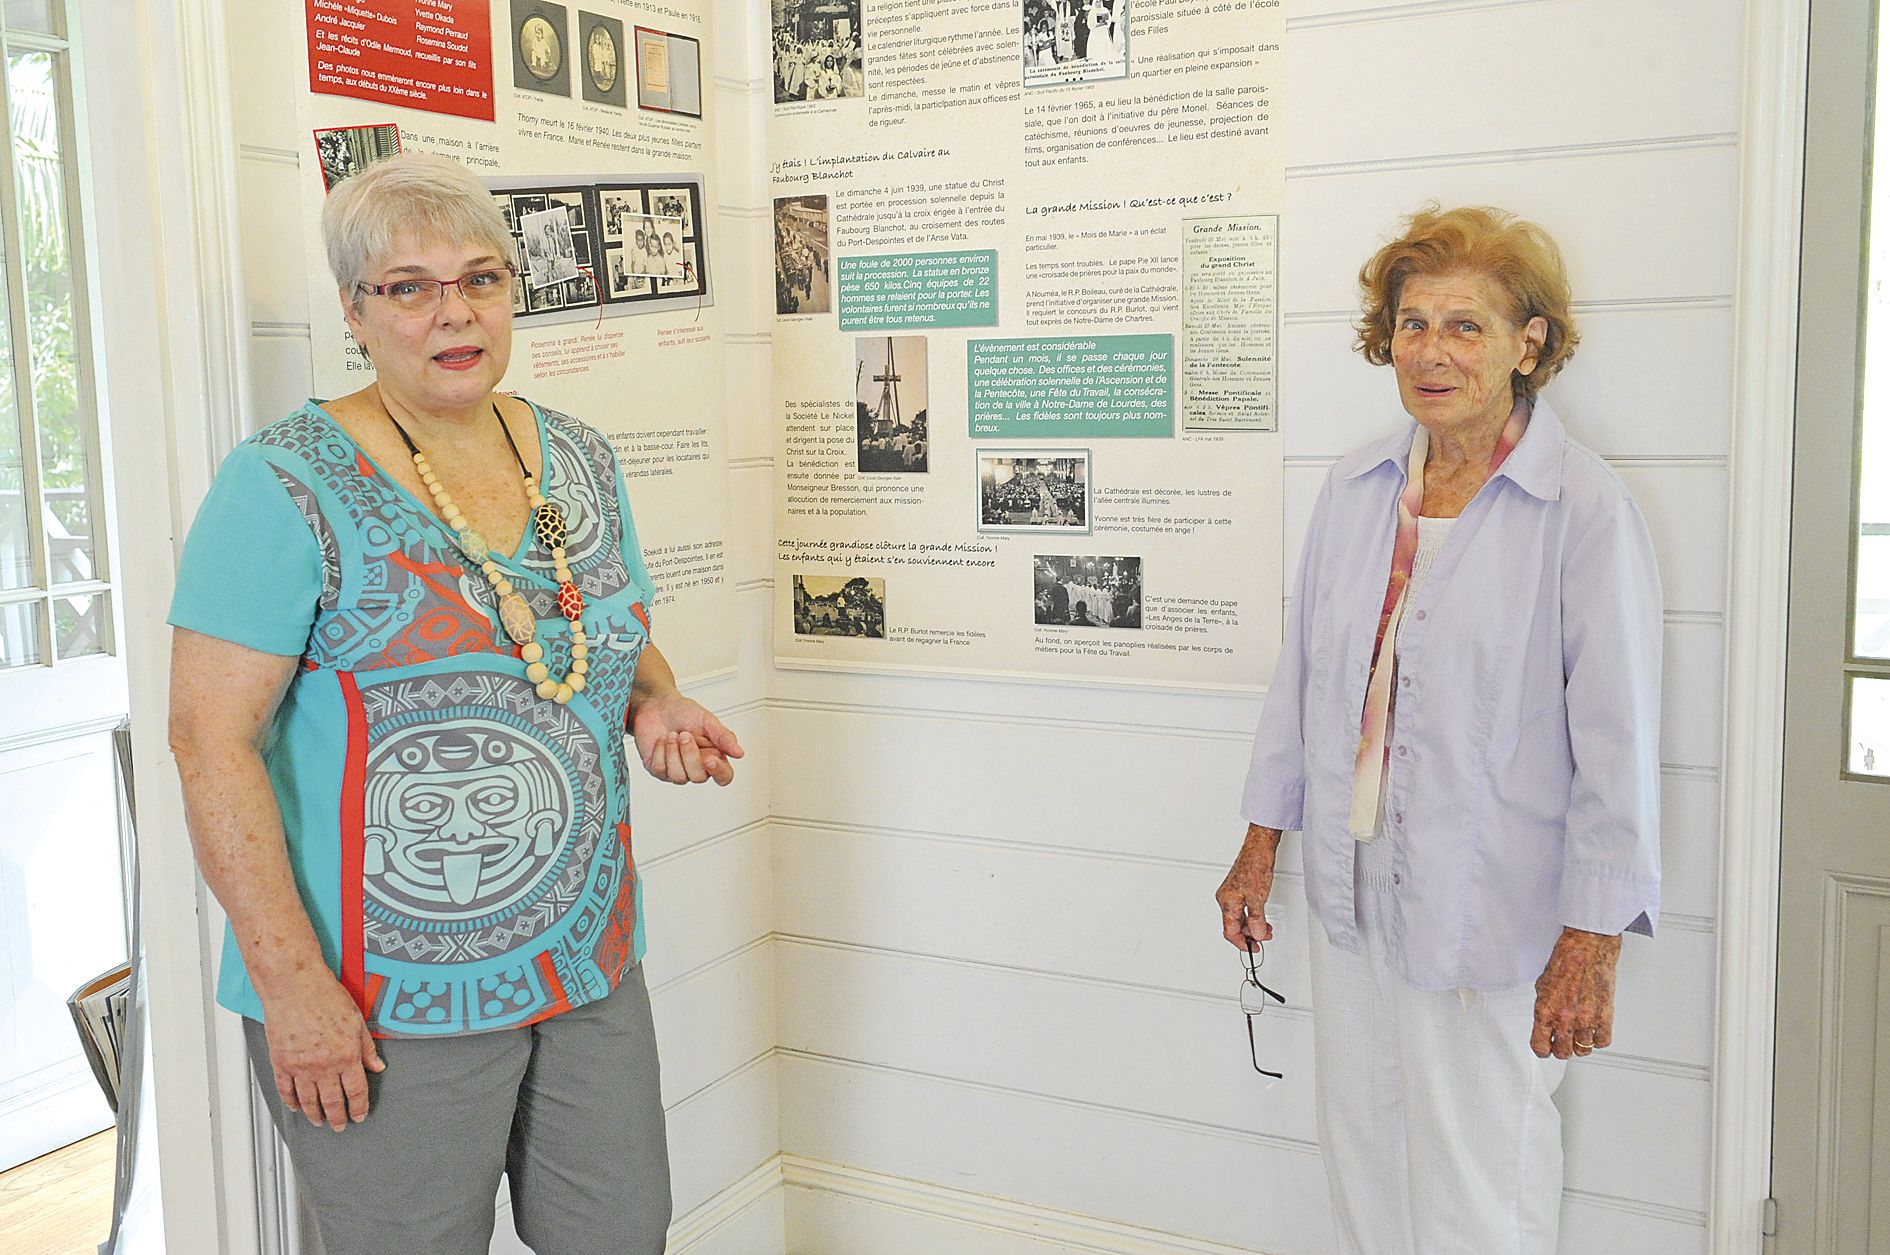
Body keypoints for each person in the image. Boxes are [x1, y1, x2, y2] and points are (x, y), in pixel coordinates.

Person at [167, 152, 744, 1255]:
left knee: (621, 1234)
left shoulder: (572, 452)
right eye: (410, 286)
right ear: (355, 308)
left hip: (584, 961)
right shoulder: (281, 483)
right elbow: (209, 741)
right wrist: (294, 986)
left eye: (481, 279)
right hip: (381, 996)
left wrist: (656, 702)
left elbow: (601, 626)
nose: (453, 312)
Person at [1214, 205, 1661, 1254]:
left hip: (1493, 904)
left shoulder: (1582, 510)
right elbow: (1307, 680)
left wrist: (1591, 940)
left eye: (1466, 326)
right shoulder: (1359, 487)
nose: (1432, 351)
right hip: (1355, 891)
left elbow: (1618, 740)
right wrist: (1257, 841)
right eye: (1413, 324)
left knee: (1482, 1176)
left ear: (1529, 342)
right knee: (1361, 1147)